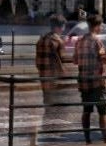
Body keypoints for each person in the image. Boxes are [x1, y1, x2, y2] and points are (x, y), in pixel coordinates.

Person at [76, 12, 106, 143]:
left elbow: (75, 60)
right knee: (103, 112)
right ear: (98, 26)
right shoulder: (97, 42)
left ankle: (87, 139)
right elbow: (104, 60)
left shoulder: (80, 41)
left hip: (84, 82)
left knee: (86, 111)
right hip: (97, 83)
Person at [32, 14, 71, 146]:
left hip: (43, 77)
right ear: (59, 28)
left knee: (47, 104)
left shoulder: (41, 39)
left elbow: (37, 62)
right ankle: (53, 131)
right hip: (55, 78)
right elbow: (63, 60)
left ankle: (46, 128)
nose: (64, 29)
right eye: (63, 26)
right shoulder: (58, 41)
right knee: (57, 105)